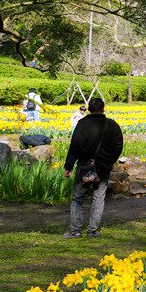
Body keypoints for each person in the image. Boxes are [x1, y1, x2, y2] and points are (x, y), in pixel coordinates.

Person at [62, 98, 124, 238]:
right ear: (103, 108)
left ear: (89, 109)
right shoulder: (112, 125)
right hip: (103, 167)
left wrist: (69, 166)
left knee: (77, 199)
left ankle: (75, 230)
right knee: (98, 198)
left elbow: (75, 147)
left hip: (85, 166)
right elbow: (118, 146)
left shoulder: (82, 124)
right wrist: (109, 161)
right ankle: (92, 230)